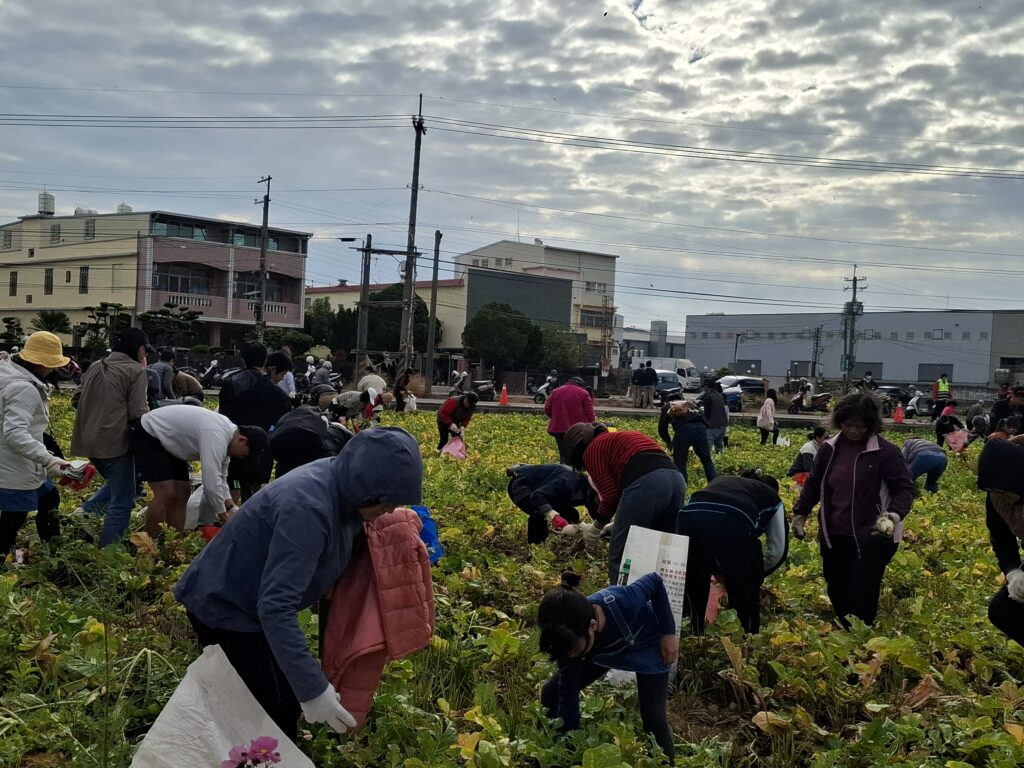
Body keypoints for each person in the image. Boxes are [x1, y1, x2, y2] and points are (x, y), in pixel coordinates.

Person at [175, 428, 423, 738]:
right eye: (385, 503)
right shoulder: (307, 509)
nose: (388, 511)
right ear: (364, 488)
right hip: (225, 606)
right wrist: (314, 690)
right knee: (267, 710)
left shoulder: (342, 485)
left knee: (281, 699)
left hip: (249, 600)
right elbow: (276, 607)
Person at [791, 393, 915, 629]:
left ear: (871, 425)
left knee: (863, 587)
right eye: (848, 425)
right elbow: (815, 483)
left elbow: (904, 488)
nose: (854, 431)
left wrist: (893, 515)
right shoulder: (829, 449)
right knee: (836, 585)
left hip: (874, 534)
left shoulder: (885, 452)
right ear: (839, 422)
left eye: (861, 426)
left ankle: (861, 636)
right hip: (834, 532)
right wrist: (801, 514)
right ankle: (846, 630)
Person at [537, 571, 677, 765]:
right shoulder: (566, 640)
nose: (570, 657)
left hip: (647, 640)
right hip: (599, 650)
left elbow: (654, 580)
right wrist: (568, 745)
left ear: (592, 625)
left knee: (653, 715)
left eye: (575, 650)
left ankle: (666, 764)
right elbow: (568, 694)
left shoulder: (625, 601)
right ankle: (551, 751)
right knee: (552, 692)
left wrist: (668, 632)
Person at [563, 422, 685, 584]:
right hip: (676, 480)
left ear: (578, 449)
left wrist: (595, 528)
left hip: (647, 483)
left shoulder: (592, 450)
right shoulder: (621, 437)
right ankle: (663, 603)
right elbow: (625, 496)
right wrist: (614, 523)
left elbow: (611, 496)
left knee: (622, 554)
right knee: (662, 550)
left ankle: (621, 603)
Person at [675, 470, 787, 635]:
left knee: (693, 586)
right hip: (735, 521)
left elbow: (708, 522)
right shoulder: (772, 497)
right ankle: (746, 642)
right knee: (744, 598)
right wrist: (752, 574)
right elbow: (778, 551)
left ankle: (691, 634)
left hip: (688, 516)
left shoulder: (722, 480)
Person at [71, 328, 152, 546]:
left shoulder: (97, 365)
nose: (146, 356)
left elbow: (76, 399)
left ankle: (83, 515)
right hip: (115, 442)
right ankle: (109, 553)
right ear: (138, 349)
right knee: (123, 502)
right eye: (145, 351)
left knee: (125, 485)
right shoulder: (135, 370)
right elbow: (138, 413)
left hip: (88, 440)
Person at [132, 404, 266, 535]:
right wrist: (225, 518)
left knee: (183, 493)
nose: (243, 457)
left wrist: (231, 507)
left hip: (173, 441)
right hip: (151, 431)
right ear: (242, 440)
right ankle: (149, 546)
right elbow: (211, 483)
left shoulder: (228, 439)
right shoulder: (216, 436)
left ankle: (173, 543)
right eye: (246, 453)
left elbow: (221, 478)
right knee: (166, 493)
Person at [0, 332, 75, 557]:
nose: (52, 370)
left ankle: (54, 551)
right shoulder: (24, 388)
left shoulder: (7, 371)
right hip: (14, 463)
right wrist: (49, 459)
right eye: (50, 365)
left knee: (49, 497)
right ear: (40, 363)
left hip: (21, 460)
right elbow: (14, 433)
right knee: (14, 516)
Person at [219, 343, 292, 502]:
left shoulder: (230, 385)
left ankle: (227, 520)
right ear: (265, 361)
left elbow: (222, 418)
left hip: (233, 446)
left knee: (234, 484)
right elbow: (282, 424)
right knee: (253, 494)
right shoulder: (277, 394)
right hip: (261, 453)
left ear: (243, 359)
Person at [977, 438, 1024, 647]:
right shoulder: (996, 496)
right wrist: (1013, 572)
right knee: (1002, 610)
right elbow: (1000, 537)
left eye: (1004, 492)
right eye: (994, 492)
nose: (1000, 497)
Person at [506, 463, 598, 543]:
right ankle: (537, 548)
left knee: (572, 515)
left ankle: (567, 539)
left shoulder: (591, 495)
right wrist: (553, 516)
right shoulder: (567, 481)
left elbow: (597, 516)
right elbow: (537, 496)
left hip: (544, 490)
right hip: (522, 485)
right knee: (539, 513)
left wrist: (601, 530)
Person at [657, 397, 716, 485]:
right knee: (706, 460)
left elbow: (662, 428)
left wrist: (669, 442)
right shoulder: (690, 404)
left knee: (680, 462)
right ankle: (715, 484)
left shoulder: (667, 407)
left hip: (683, 430)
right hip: (701, 428)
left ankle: (683, 487)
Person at [544, 376, 595, 463]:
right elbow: (589, 413)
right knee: (575, 454)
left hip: (557, 429)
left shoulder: (556, 391)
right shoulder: (584, 393)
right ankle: (573, 474)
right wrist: (592, 426)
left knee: (563, 454)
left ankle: (563, 471)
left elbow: (547, 408)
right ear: (582, 385)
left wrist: (555, 418)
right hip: (577, 430)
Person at [697, 380, 728, 453]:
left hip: (713, 425)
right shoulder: (719, 395)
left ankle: (708, 463)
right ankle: (720, 461)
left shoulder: (708, 397)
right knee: (719, 446)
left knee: (707, 448)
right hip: (723, 424)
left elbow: (707, 413)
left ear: (707, 386)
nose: (703, 388)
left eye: (704, 386)